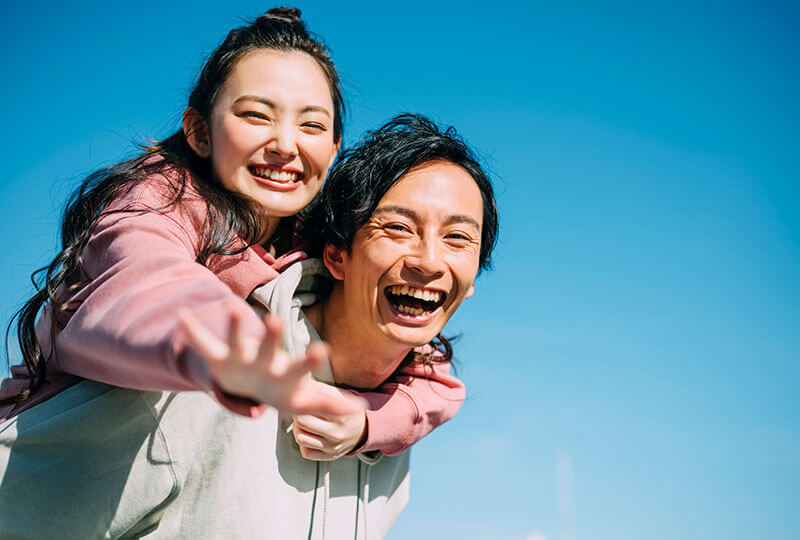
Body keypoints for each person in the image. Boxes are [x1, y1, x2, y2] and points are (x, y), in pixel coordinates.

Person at [0, 114, 499, 539]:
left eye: (458, 238)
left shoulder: (391, 438)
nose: (430, 261)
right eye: (397, 228)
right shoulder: (212, 369)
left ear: (474, 278)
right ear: (337, 255)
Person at [0, 10, 462, 460]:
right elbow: (146, 282)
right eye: (257, 116)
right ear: (199, 132)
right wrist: (224, 342)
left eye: (312, 125)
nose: (286, 144)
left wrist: (366, 420)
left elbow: (432, 372)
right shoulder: (156, 202)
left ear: (334, 147)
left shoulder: (317, 243)